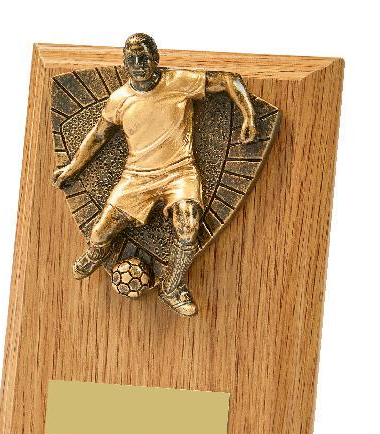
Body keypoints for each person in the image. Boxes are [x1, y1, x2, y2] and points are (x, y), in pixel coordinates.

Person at [53, 33, 256, 316]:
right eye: (132, 59)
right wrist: (72, 167)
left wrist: (248, 116)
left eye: (144, 57)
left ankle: (172, 287)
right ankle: (96, 252)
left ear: (156, 59)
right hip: (137, 177)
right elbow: (98, 136)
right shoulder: (119, 99)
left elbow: (227, 78)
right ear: (125, 63)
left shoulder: (179, 81)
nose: (139, 64)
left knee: (188, 225)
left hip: (179, 172)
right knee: (99, 233)